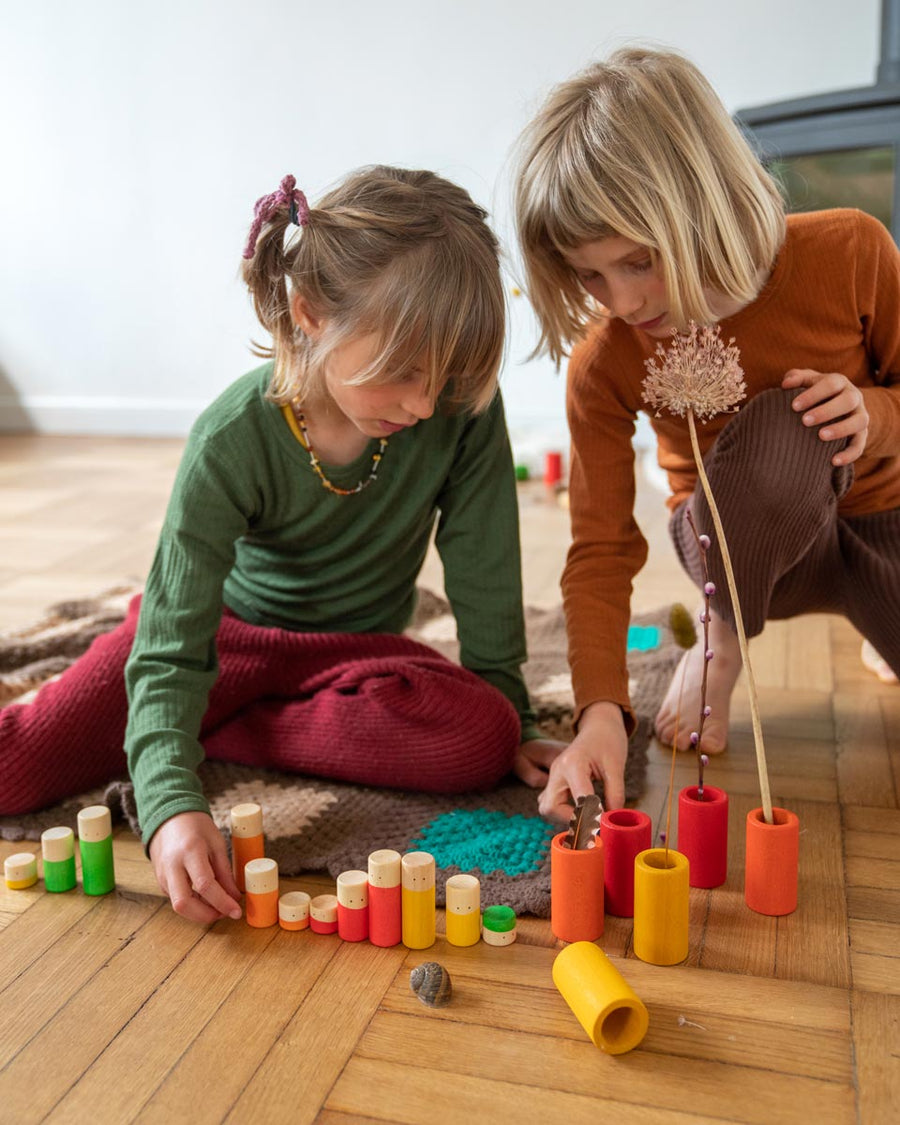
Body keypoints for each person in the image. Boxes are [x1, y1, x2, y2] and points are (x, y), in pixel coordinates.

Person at [1, 166, 563, 922]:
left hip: (359, 654)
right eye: (400, 372)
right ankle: (182, 723)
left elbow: (484, 558)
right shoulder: (231, 437)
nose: (425, 403)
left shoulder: (457, 412)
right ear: (308, 313)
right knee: (15, 766)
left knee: (481, 733)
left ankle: (212, 726)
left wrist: (516, 710)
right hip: (222, 640)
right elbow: (173, 641)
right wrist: (168, 798)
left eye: (445, 376)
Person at [513, 47, 900, 822]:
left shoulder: (851, 251)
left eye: (639, 261)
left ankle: (872, 617)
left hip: (879, 525)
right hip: (732, 553)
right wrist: (599, 715)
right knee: (787, 427)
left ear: (706, 201)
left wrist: (873, 414)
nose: (621, 300)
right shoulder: (603, 361)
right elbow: (599, 547)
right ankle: (720, 641)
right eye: (590, 275)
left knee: (814, 419)